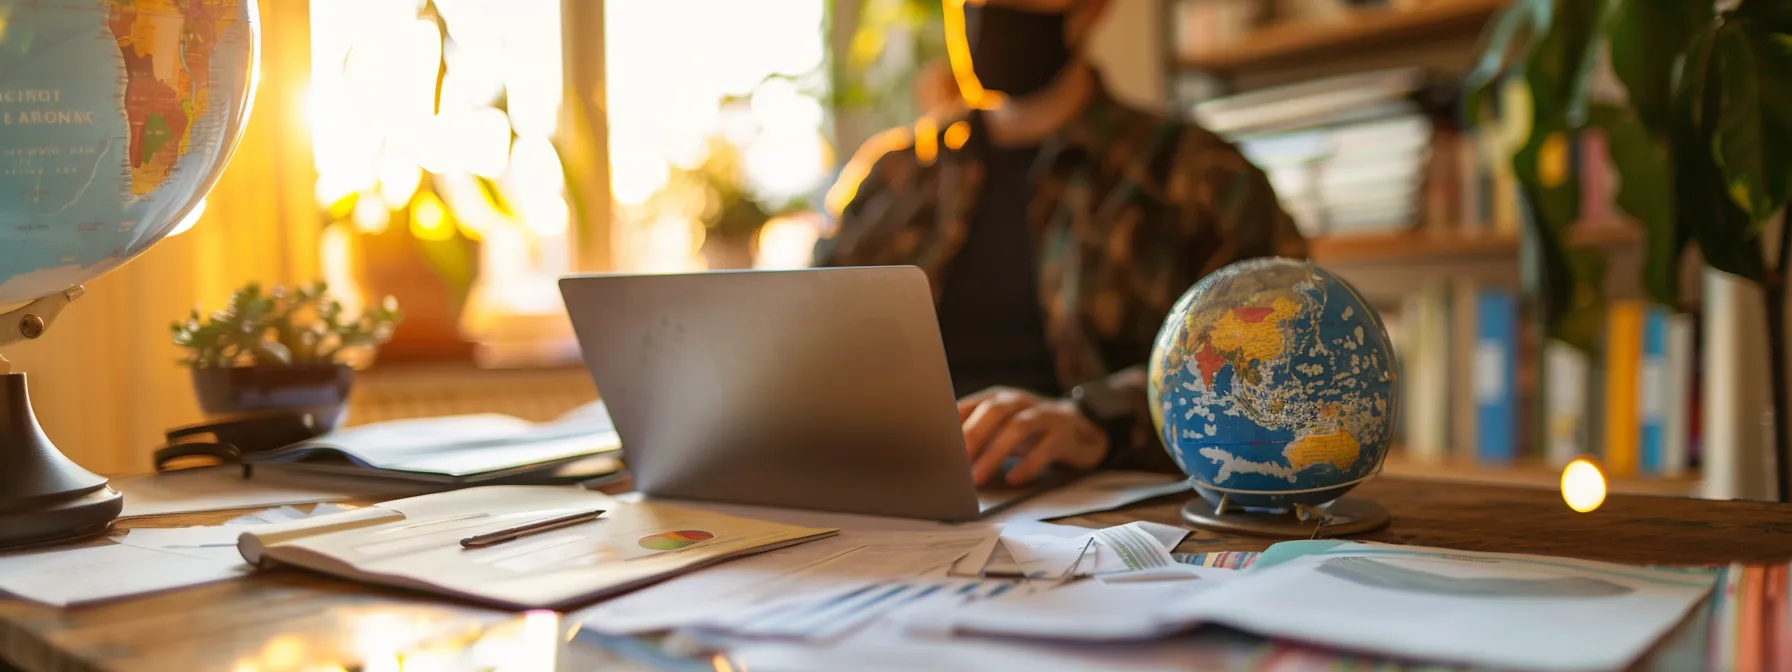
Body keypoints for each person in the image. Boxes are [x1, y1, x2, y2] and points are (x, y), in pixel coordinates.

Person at [813, 0, 1307, 489]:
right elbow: (805, 345)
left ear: (1093, 9)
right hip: (893, 488)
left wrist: (1098, 418)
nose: (989, 8)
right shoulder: (891, 179)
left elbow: (1290, 357)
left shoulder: (1198, 177)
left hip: (1101, 511)